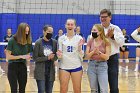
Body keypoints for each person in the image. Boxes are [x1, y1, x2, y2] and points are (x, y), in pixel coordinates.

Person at [100, 9, 125, 93]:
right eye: (101, 17)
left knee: (114, 86)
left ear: (110, 17)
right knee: (100, 87)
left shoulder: (115, 28)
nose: (103, 19)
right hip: (100, 59)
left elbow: (122, 43)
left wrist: (113, 36)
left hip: (112, 59)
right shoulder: (97, 28)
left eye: (105, 17)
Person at [57, 19, 84, 93]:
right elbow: (59, 55)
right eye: (68, 24)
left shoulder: (79, 38)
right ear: (65, 26)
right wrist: (59, 55)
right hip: (64, 67)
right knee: (63, 89)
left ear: (75, 26)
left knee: (77, 89)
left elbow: (82, 56)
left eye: (72, 24)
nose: (70, 26)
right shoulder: (61, 38)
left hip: (76, 66)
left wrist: (79, 48)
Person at [6, 23, 33, 93]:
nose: (27, 33)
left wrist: (28, 58)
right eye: (25, 32)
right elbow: (8, 57)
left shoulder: (29, 41)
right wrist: (21, 56)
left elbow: (28, 56)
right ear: (20, 31)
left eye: (28, 32)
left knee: (22, 89)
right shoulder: (12, 40)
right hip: (12, 66)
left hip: (23, 66)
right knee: (14, 89)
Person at [86, 24, 111, 93]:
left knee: (104, 90)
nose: (92, 32)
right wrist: (93, 52)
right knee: (93, 90)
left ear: (100, 32)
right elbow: (87, 56)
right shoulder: (90, 41)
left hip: (102, 66)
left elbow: (107, 57)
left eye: (94, 30)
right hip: (91, 66)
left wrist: (99, 53)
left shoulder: (106, 41)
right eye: (92, 30)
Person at [33, 25, 58, 93]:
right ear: (44, 32)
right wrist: (47, 58)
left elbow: (55, 56)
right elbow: (35, 58)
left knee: (49, 91)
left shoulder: (55, 42)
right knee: (41, 90)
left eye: (52, 32)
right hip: (40, 71)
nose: (50, 33)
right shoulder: (38, 42)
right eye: (49, 31)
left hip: (50, 71)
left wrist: (57, 56)